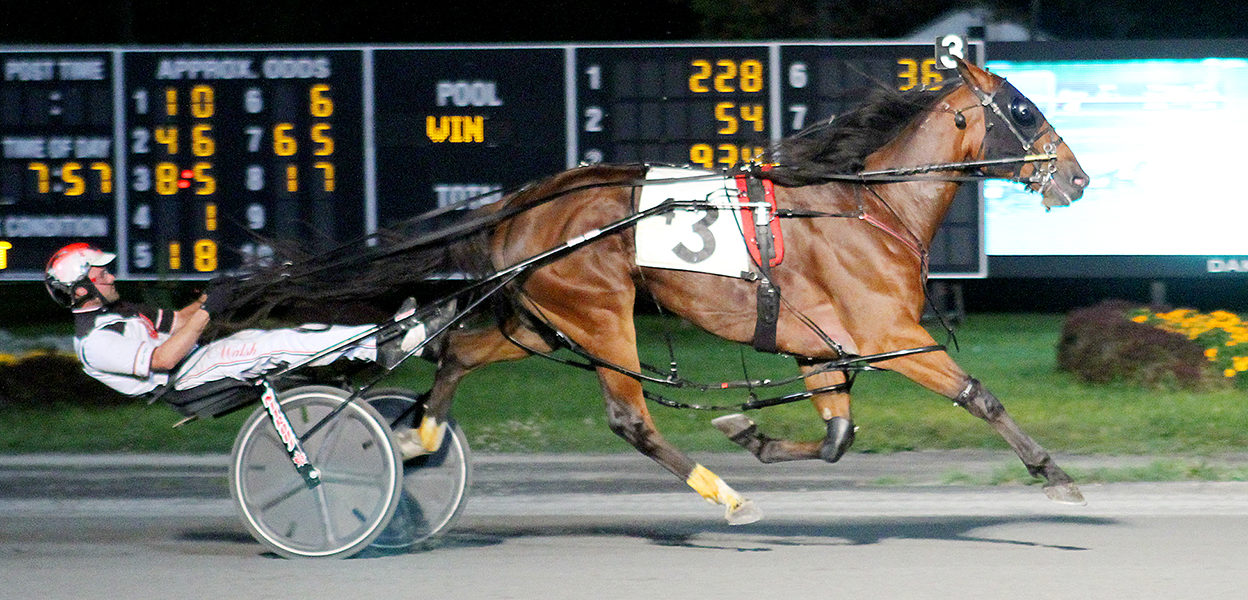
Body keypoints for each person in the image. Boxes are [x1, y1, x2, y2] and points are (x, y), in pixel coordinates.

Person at [45, 243, 441, 398]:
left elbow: (181, 320)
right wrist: (209, 311)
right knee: (272, 345)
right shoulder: (95, 342)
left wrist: (215, 294)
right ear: (81, 290)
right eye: (101, 276)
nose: (111, 277)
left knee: (286, 335)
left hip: (195, 360)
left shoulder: (122, 311)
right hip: (181, 379)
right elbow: (163, 360)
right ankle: (386, 343)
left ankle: (385, 335)